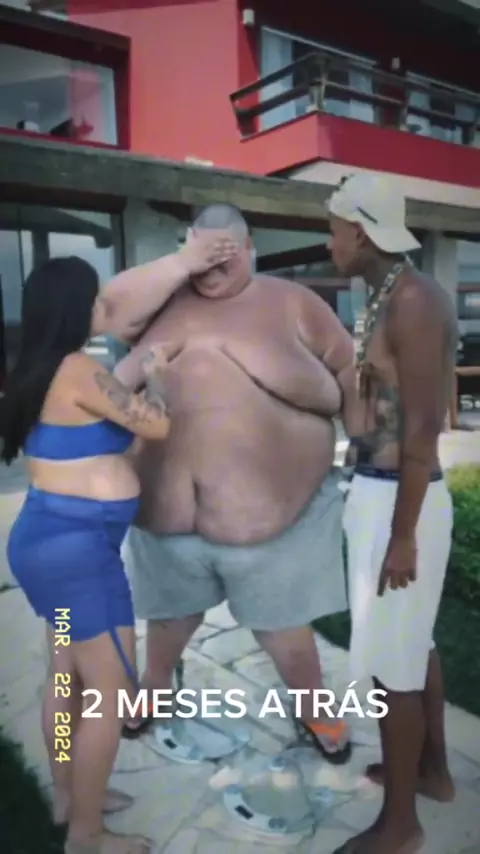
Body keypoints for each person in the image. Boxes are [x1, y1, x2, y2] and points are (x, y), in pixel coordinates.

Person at [101, 203, 358, 762]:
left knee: (285, 631)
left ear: (250, 249)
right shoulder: (160, 299)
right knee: (168, 621)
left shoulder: (293, 301)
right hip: (166, 517)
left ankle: (315, 707)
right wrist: (181, 263)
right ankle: (154, 688)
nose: (212, 268)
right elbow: (110, 313)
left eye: (226, 255)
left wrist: (359, 429)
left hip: (272, 524)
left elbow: (346, 367)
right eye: (203, 254)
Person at [0, 255, 189, 854]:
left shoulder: (38, 371)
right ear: (73, 309)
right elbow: (156, 426)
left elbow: (100, 443)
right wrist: (158, 377)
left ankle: (68, 791)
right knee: (110, 690)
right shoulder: (79, 369)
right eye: (96, 298)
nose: (102, 306)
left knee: (67, 674)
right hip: (79, 559)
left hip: (50, 547)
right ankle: (87, 833)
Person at [326, 173, 456, 854]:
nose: (329, 242)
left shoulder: (412, 300)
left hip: (402, 505)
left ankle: (400, 825)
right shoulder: (384, 295)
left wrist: (403, 536)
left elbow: (424, 427)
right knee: (415, 645)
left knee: (391, 666)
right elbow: (378, 407)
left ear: (361, 232)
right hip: (381, 495)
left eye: (333, 229)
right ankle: (431, 773)